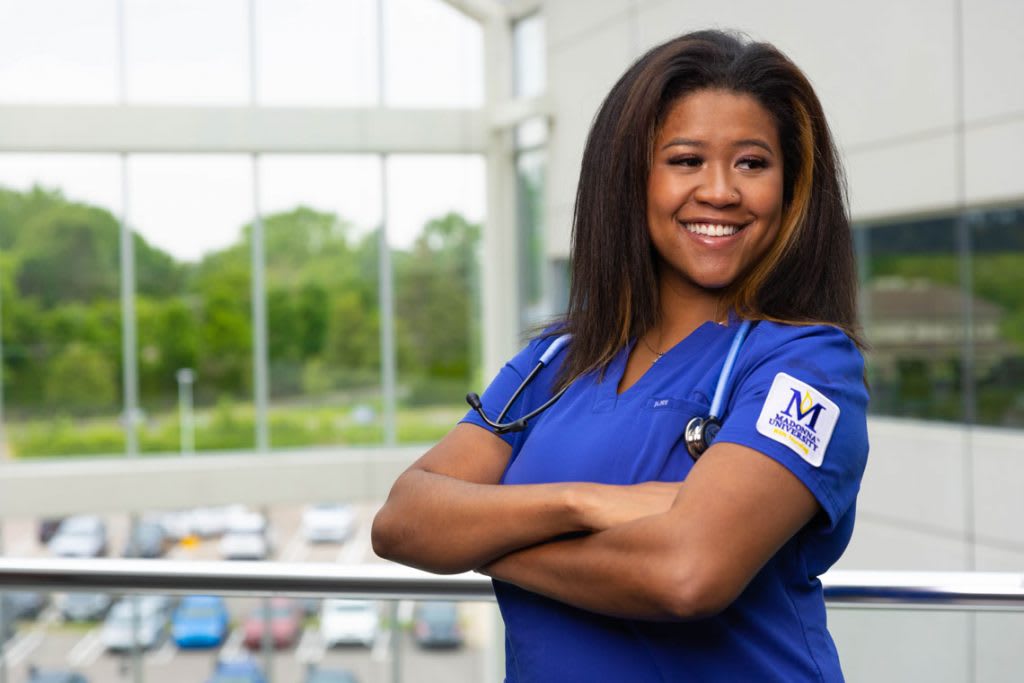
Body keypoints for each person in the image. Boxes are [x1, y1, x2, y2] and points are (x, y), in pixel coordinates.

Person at [373, 29, 868, 683]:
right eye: (686, 160)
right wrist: (584, 504)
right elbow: (404, 518)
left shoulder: (807, 367)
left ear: (791, 185)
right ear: (631, 176)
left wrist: (485, 540)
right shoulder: (555, 360)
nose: (720, 190)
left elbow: (686, 573)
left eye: (752, 163)